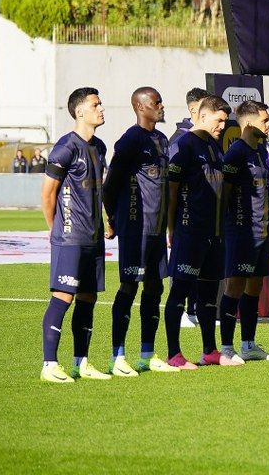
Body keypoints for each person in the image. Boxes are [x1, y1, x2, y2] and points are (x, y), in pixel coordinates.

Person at [102, 86, 177, 376]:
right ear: (140, 106)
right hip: (136, 227)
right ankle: (117, 356)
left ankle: (147, 353)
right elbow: (111, 186)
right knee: (129, 287)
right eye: (156, 102)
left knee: (156, 287)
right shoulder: (131, 139)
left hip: (156, 229)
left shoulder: (160, 139)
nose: (161, 106)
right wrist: (113, 219)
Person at [39, 87, 111, 383]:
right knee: (63, 296)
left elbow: (98, 191)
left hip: (93, 237)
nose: (101, 108)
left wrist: (106, 221)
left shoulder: (100, 147)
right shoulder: (65, 147)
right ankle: (49, 365)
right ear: (80, 111)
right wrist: (55, 229)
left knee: (88, 298)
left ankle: (81, 362)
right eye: (96, 104)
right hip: (69, 237)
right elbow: (47, 194)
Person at [164, 95, 229, 369]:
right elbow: (172, 190)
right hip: (190, 232)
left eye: (225, 121)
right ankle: (174, 354)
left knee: (208, 296)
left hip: (214, 234)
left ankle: (210, 351)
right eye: (219, 120)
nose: (223, 126)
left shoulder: (213, 145)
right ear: (203, 116)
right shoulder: (184, 144)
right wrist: (172, 229)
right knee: (180, 291)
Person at [218, 101, 269, 364]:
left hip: (261, 230)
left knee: (254, 287)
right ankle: (227, 348)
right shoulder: (236, 153)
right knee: (235, 287)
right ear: (249, 122)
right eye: (265, 120)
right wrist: (223, 229)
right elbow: (224, 195)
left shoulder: (260, 151)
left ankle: (248, 344)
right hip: (241, 232)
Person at [169, 86, 211, 330]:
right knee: (182, 264)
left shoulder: (207, 140)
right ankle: (182, 309)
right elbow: (173, 184)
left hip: (203, 216)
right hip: (185, 215)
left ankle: (194, 310)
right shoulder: (181, 140)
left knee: (200, 265)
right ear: (195, 110)